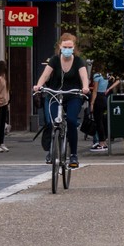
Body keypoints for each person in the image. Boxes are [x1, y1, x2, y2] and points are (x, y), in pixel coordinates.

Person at [33, 33, 90, 168]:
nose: (67, 49)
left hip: (73, 95)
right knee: (52, 122)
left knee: (71, 121)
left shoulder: (78, 61)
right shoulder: (54, 60)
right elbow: (45, 75)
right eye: (65, 46)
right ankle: (51, 150)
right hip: (55, 94)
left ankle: (74, 155)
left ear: (74, 47)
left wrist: (85, 87)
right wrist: (38, 86)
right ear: (60, 46)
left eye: (70, 47)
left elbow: (84, 76)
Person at [90, 64, 121, 151]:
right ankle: (104, 141)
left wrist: (92, 103)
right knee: (103, 121)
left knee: (98, 121)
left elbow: (95, 91)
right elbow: (118, 80)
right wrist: (109, 89)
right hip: (105, 97)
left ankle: (101, 142)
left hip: (98, 98)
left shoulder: (97, 76)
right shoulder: (107, 76)